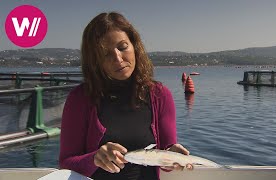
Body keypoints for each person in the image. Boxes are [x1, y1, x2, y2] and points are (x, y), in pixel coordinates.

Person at [59, 11, 193, 180]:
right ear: (95, 61)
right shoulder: (79, 98)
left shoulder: (159, 95)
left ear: (134, 46)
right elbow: (66, 163)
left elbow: (165, 155)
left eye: (122, 47)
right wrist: (94, 158)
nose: (118, 58)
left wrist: (172, 157)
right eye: (106, 54)